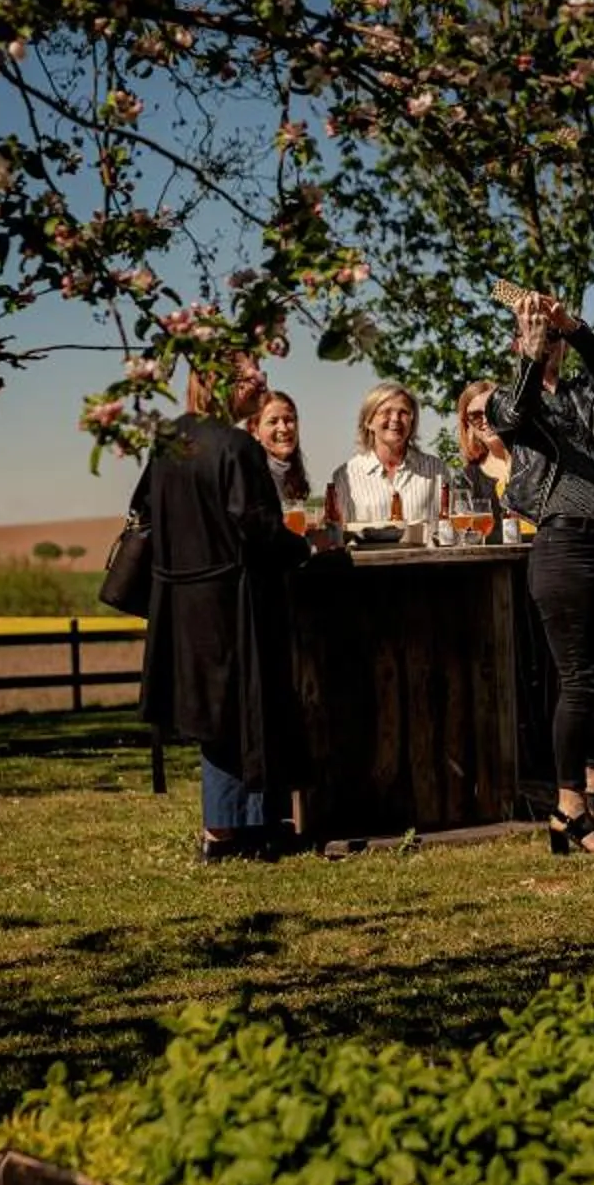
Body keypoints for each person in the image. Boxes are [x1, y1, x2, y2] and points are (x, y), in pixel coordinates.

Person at [134, 360, 310, 861]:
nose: (260, 383)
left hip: (181, 600)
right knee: (244, 710)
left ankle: (243, 827)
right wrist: (303, 550)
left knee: (216, 715)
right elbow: (257, 525)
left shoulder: (168, 440)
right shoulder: (237, 447)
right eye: (252, 376)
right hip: (233, 600)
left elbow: (147, 510)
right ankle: (227, 834)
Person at [490, 290, 594, 854]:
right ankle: (568, 801)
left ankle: (588, 795)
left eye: (553, 343)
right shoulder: (508, 399)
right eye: (539, 341)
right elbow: (517, 414)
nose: (549, 347)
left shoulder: (587, 392)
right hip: (563, 548)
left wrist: (566, 322)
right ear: (519, 346)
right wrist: (529, 354)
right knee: (578, 680)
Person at [328, 381, 448, 527]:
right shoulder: (345, 476)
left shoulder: (437, 470)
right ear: (368, 421)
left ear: (412, 421)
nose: (395, 418)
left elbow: (451, 530)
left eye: (403, 412)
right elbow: (339, 535)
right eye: (386, 412)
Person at [452, 381, 517, 531]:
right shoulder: (467, 479)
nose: (486, 420)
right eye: (476, 416)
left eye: (492, 410)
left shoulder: (537, 461)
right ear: (468, 425)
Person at [250, 390, 314, 508]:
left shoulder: (289, 475)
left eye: (289, 420)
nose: (283, 429)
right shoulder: (248, 477)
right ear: (254, 430)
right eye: (273, 422)